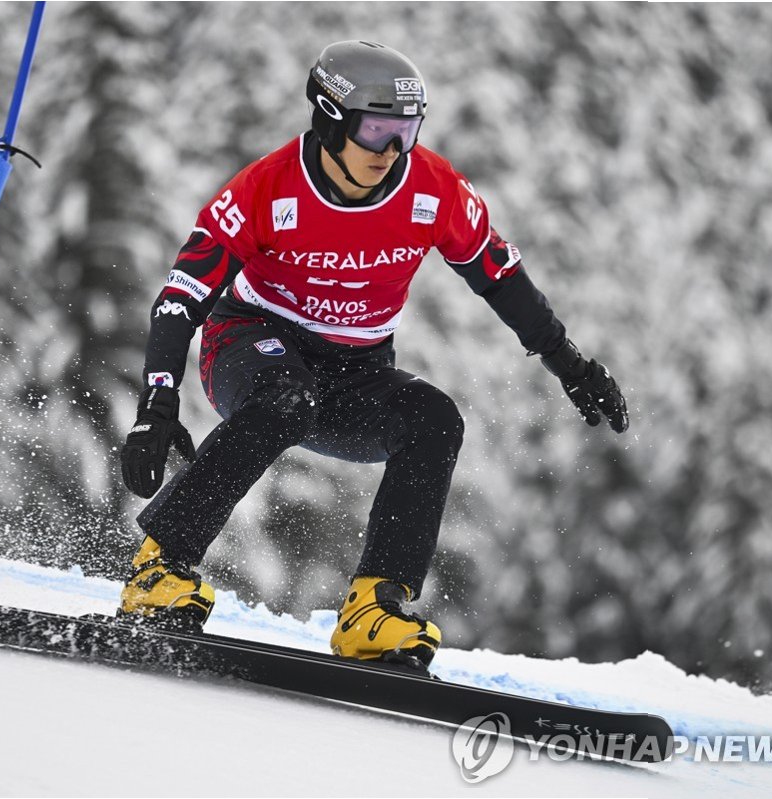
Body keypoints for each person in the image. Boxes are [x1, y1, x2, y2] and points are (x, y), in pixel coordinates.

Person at [117, 40, 628, 671]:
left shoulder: (433, 188)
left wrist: (570, 364)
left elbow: (500, 278)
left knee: (434, 419)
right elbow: (181, 298)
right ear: (330, 120)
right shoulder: (265, 189)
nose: (390, 152)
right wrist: (157, 403)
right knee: (285, 397)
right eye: (376, 131)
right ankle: (160, 567)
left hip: (356, 369)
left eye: (405, 134)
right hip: (250, 343)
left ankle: (373, 610)